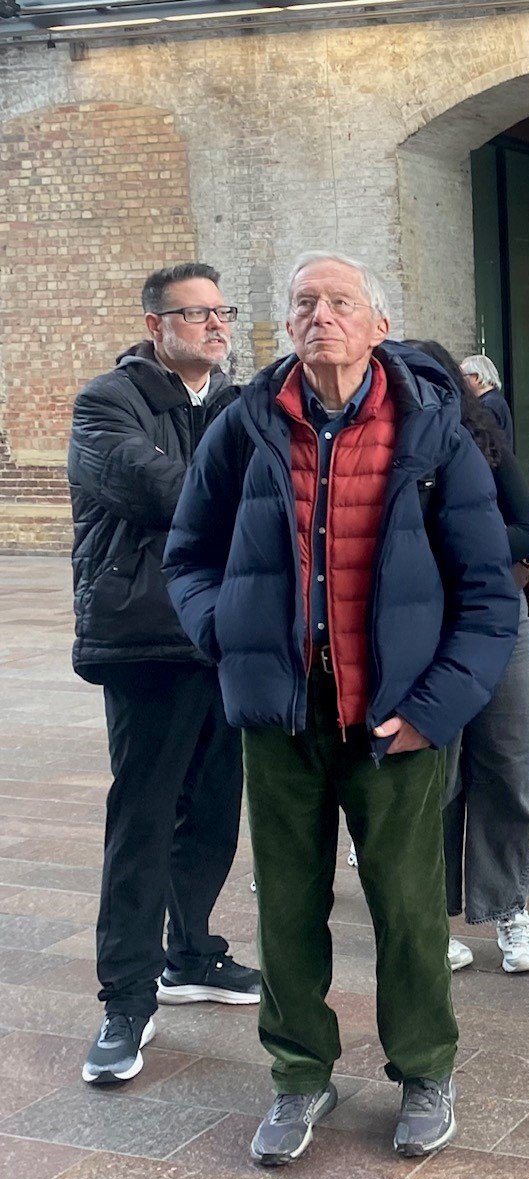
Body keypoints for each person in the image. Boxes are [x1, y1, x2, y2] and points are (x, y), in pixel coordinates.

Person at [165, 252, 519, 1164]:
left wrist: (436, 708)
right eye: (304, 303)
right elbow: (189, 555)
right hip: (280, 718)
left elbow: (487, 593)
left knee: (407, 909)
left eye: (340, 303)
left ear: (378, 325)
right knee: (286, 907)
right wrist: (227, 638)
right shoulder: (245, 429)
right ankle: (297, 1075)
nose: (320, 315)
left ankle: (425, 1066)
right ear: (285, 324)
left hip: (396, 717)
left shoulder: (432, 432)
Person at [68, 263, 259, 1087]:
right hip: (145, 638)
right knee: (144, 819)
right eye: (197, 313)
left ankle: (191, 954)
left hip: (224, 636)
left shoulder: (238, 403)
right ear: (157, 325)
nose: (216, 325)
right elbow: (163, 491)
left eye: (223, 312)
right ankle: (125, 999)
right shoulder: (107, 403)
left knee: (215, 812)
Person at [406, 340, 529, 976]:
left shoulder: (481, 437)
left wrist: (456, 546)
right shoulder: (384, 449)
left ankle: (508, 906)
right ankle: (429, 915)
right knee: (437, 773)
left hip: (498, 619)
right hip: (419, 630)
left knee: (511, 763)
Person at [461, 354, 513, 450]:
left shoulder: (488, 406)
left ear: (477, 377)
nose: (460, 381)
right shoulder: (495, 400)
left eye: (463, 376)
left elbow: (486, 445)